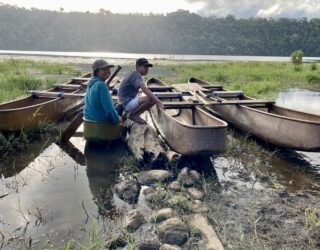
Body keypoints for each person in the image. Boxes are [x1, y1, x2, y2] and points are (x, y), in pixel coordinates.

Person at [118, 58, 164, 124]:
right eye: (145, 67)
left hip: (124, 102)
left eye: (148, 67)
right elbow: (144, 89)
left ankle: (135, 113)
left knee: (152, 96)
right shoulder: (136, 75)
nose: (147, 69)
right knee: (152, 99)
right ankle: (134, 115)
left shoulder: (132, 73)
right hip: (126, 103)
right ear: (137, 66)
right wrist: (158, 101)